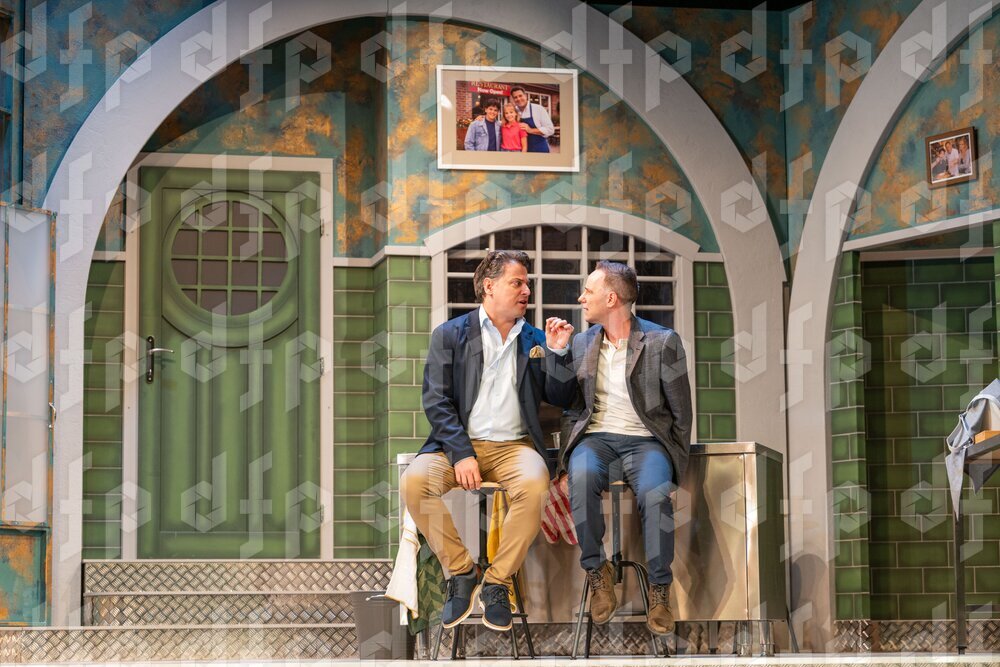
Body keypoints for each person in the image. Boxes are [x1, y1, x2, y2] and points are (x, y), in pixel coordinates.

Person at [400, 249, 576, 632]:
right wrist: (461, 453)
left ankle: (496, 582)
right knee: (414, 482)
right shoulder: (450, 334)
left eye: (527, 283)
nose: (527, 290)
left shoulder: (536, 339)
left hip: (515, 448)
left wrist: (559, 352)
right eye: (518, 283)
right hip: (458, 445)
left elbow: (561, 398)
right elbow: (436, 400)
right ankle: (462, 572)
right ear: (489, 286)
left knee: (535, 484)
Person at [558, 261, 692, 636]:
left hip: (646, 442)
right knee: (581, 478)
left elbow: (682, 412)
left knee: (655, 493)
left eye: (589, 291)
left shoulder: (662, 342)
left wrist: (675, 467)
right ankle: (597, 572)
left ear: (611, 298)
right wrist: (566, 459)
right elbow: (570, 406)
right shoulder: (582, 343)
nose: (581, 298)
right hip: (596, 439)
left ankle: (659, 589)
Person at [510, 86, 554, 153]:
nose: (518, 99)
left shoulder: (538, 109)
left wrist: (530, 130)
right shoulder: (513, 111)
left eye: (520, 96)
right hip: (522, 151)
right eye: (515, 97)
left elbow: (550, 130)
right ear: (513, 99)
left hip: (539, 149)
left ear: (525, 96)